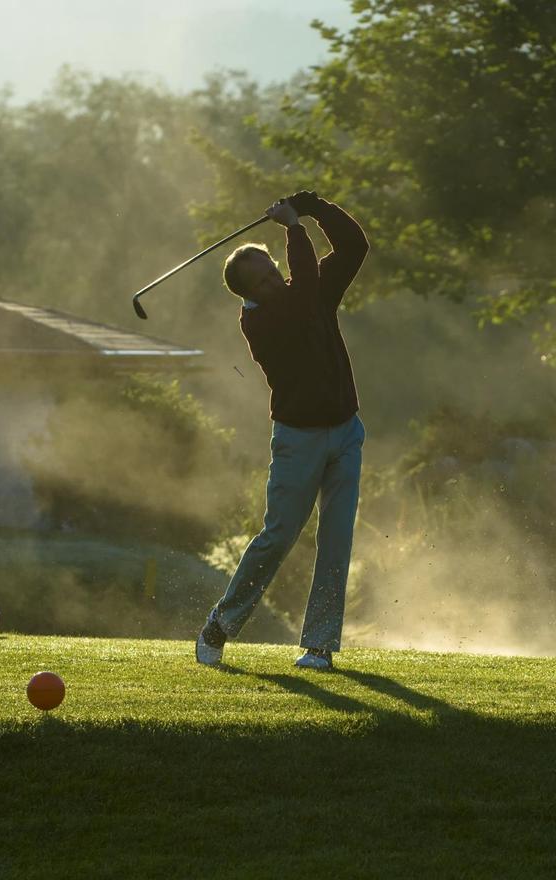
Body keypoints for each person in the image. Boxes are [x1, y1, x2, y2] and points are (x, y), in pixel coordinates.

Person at [196, 190, 369, 671]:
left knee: (336, 539)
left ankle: (319, 646)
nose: (274, 281)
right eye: (264, 281)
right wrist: (294, 228)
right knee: (278, 536)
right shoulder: (263, 322)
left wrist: (313, 206)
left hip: (346, 430)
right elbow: (303, 290)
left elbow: (355, 247)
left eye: (274, 271)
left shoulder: (305, 289)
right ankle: (222, 624)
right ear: (248, 294)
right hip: (299, 441)